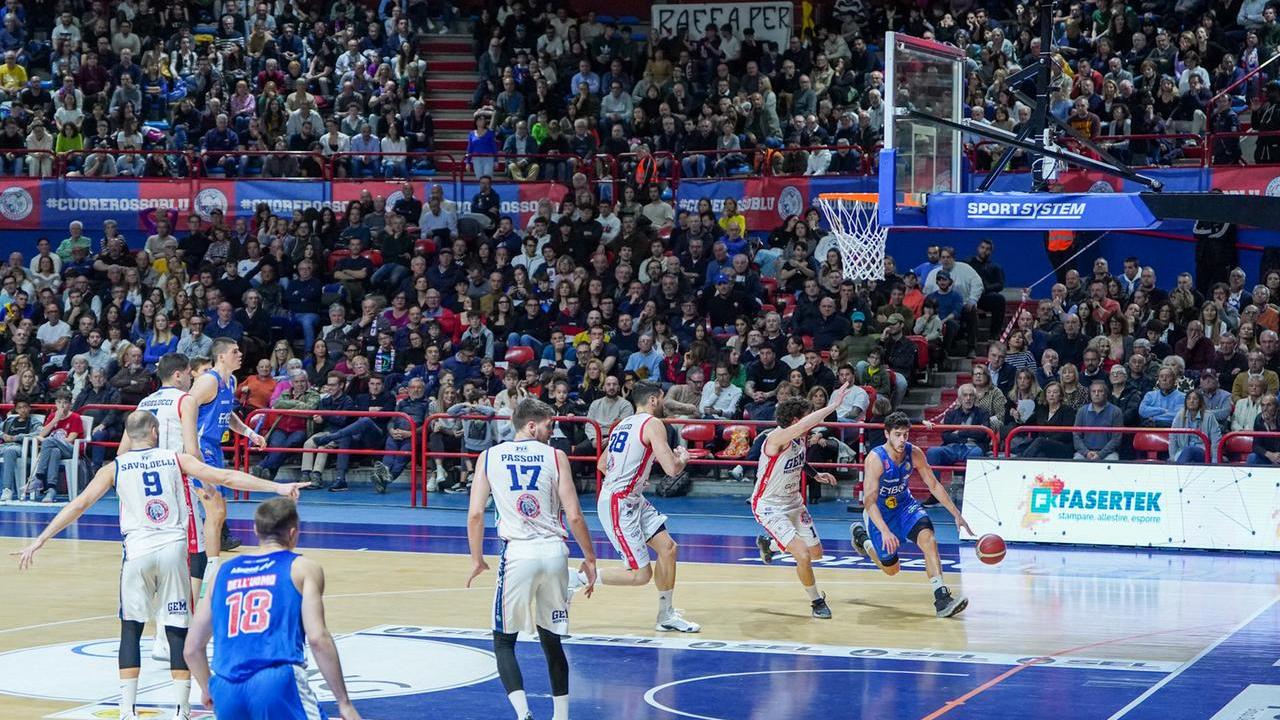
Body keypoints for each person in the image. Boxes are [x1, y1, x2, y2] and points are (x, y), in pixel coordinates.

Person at [14, 411, 306, 720]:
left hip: (137, 552)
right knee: (177, 629)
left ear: (129, 436)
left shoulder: (114, 467)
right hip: (172, 549)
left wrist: (40, 539)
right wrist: (278, 488)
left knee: (131, 629)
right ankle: (181, 710)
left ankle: (127, 710)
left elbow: (79, 504)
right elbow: (224, 477)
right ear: (155, 431)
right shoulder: (175, 458)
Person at [466, 398, 597, 720]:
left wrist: (477, 558)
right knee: (552, 641)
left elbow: (475, 514)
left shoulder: (488, 457)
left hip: (518, 554)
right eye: (549, 426)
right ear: (531, 425)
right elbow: (575, 515)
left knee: (503, 641)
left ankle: (524, 714)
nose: (552, 432)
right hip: (554, 553)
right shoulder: (556, 456)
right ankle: (561, 716)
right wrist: (590, 557)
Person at [184, 497, 361, 720]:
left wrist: (207, 687)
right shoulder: (302, 568)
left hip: (226, 686)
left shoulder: (223, 572)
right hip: (276, 681)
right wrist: (344, 702)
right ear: (293, 533)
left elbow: (191, 649)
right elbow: (317, 638)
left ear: (255, 530)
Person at [125, 353, 224, 663]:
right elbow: (192, 449)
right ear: (179, 374)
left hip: (144, 485)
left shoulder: (144, 402)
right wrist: (206, 482)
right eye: (190, 374)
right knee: (190, 557)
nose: (193, 378)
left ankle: (160, 632)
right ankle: (170, 633)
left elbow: (123, 451)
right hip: (175, 482)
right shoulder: (185, 400)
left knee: (155, 556)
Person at [585, 382, 698, 632]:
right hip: (619, 502)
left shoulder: (622, 424)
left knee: (668, 548)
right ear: (653, 400)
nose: (664, 403)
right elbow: (672, 469)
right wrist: (683, 458)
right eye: (662, 398)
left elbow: (602, 464)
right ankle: (575, 578)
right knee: (640, 575)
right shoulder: (653, 423)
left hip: (631, 497)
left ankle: (666, 615)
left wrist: (633, 477)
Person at [849, 412, 972, 618]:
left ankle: (942, 599)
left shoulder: (913, 453)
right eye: (897, 435)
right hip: (880, 513)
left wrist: (956, 513)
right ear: (887, 434)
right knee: (891, 569)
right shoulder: (875, 459)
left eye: (905, 434)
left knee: (929, 540)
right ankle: (863, 539)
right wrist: (885, 531)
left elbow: (933, 484)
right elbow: (869, 501)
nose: (902, 440)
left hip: (905, 506)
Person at [752, 384, 852, 619]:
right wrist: (833, 405)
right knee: (803, 555)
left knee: (816, 553)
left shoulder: (799, 439)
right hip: (769, 506)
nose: (811, 421)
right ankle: (817, 602)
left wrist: (815, 475)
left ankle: (769, 544)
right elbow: (804, 426)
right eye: (807, 416)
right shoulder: (776, 437)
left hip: (794, 503)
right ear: (797, 420)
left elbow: (798, 460)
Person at [190, 338, 268, 550]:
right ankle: (206, 557)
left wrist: (249, 433)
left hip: (214, 447)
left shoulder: (231, 381)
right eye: (235, 351)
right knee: (215, 509)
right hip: (200, 446)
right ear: (221, 356)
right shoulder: (208, 381)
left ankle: (209, 552)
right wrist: (189, 447)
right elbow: (184, 409)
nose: (240, 354)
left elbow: (227, 413)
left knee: (219, 511)